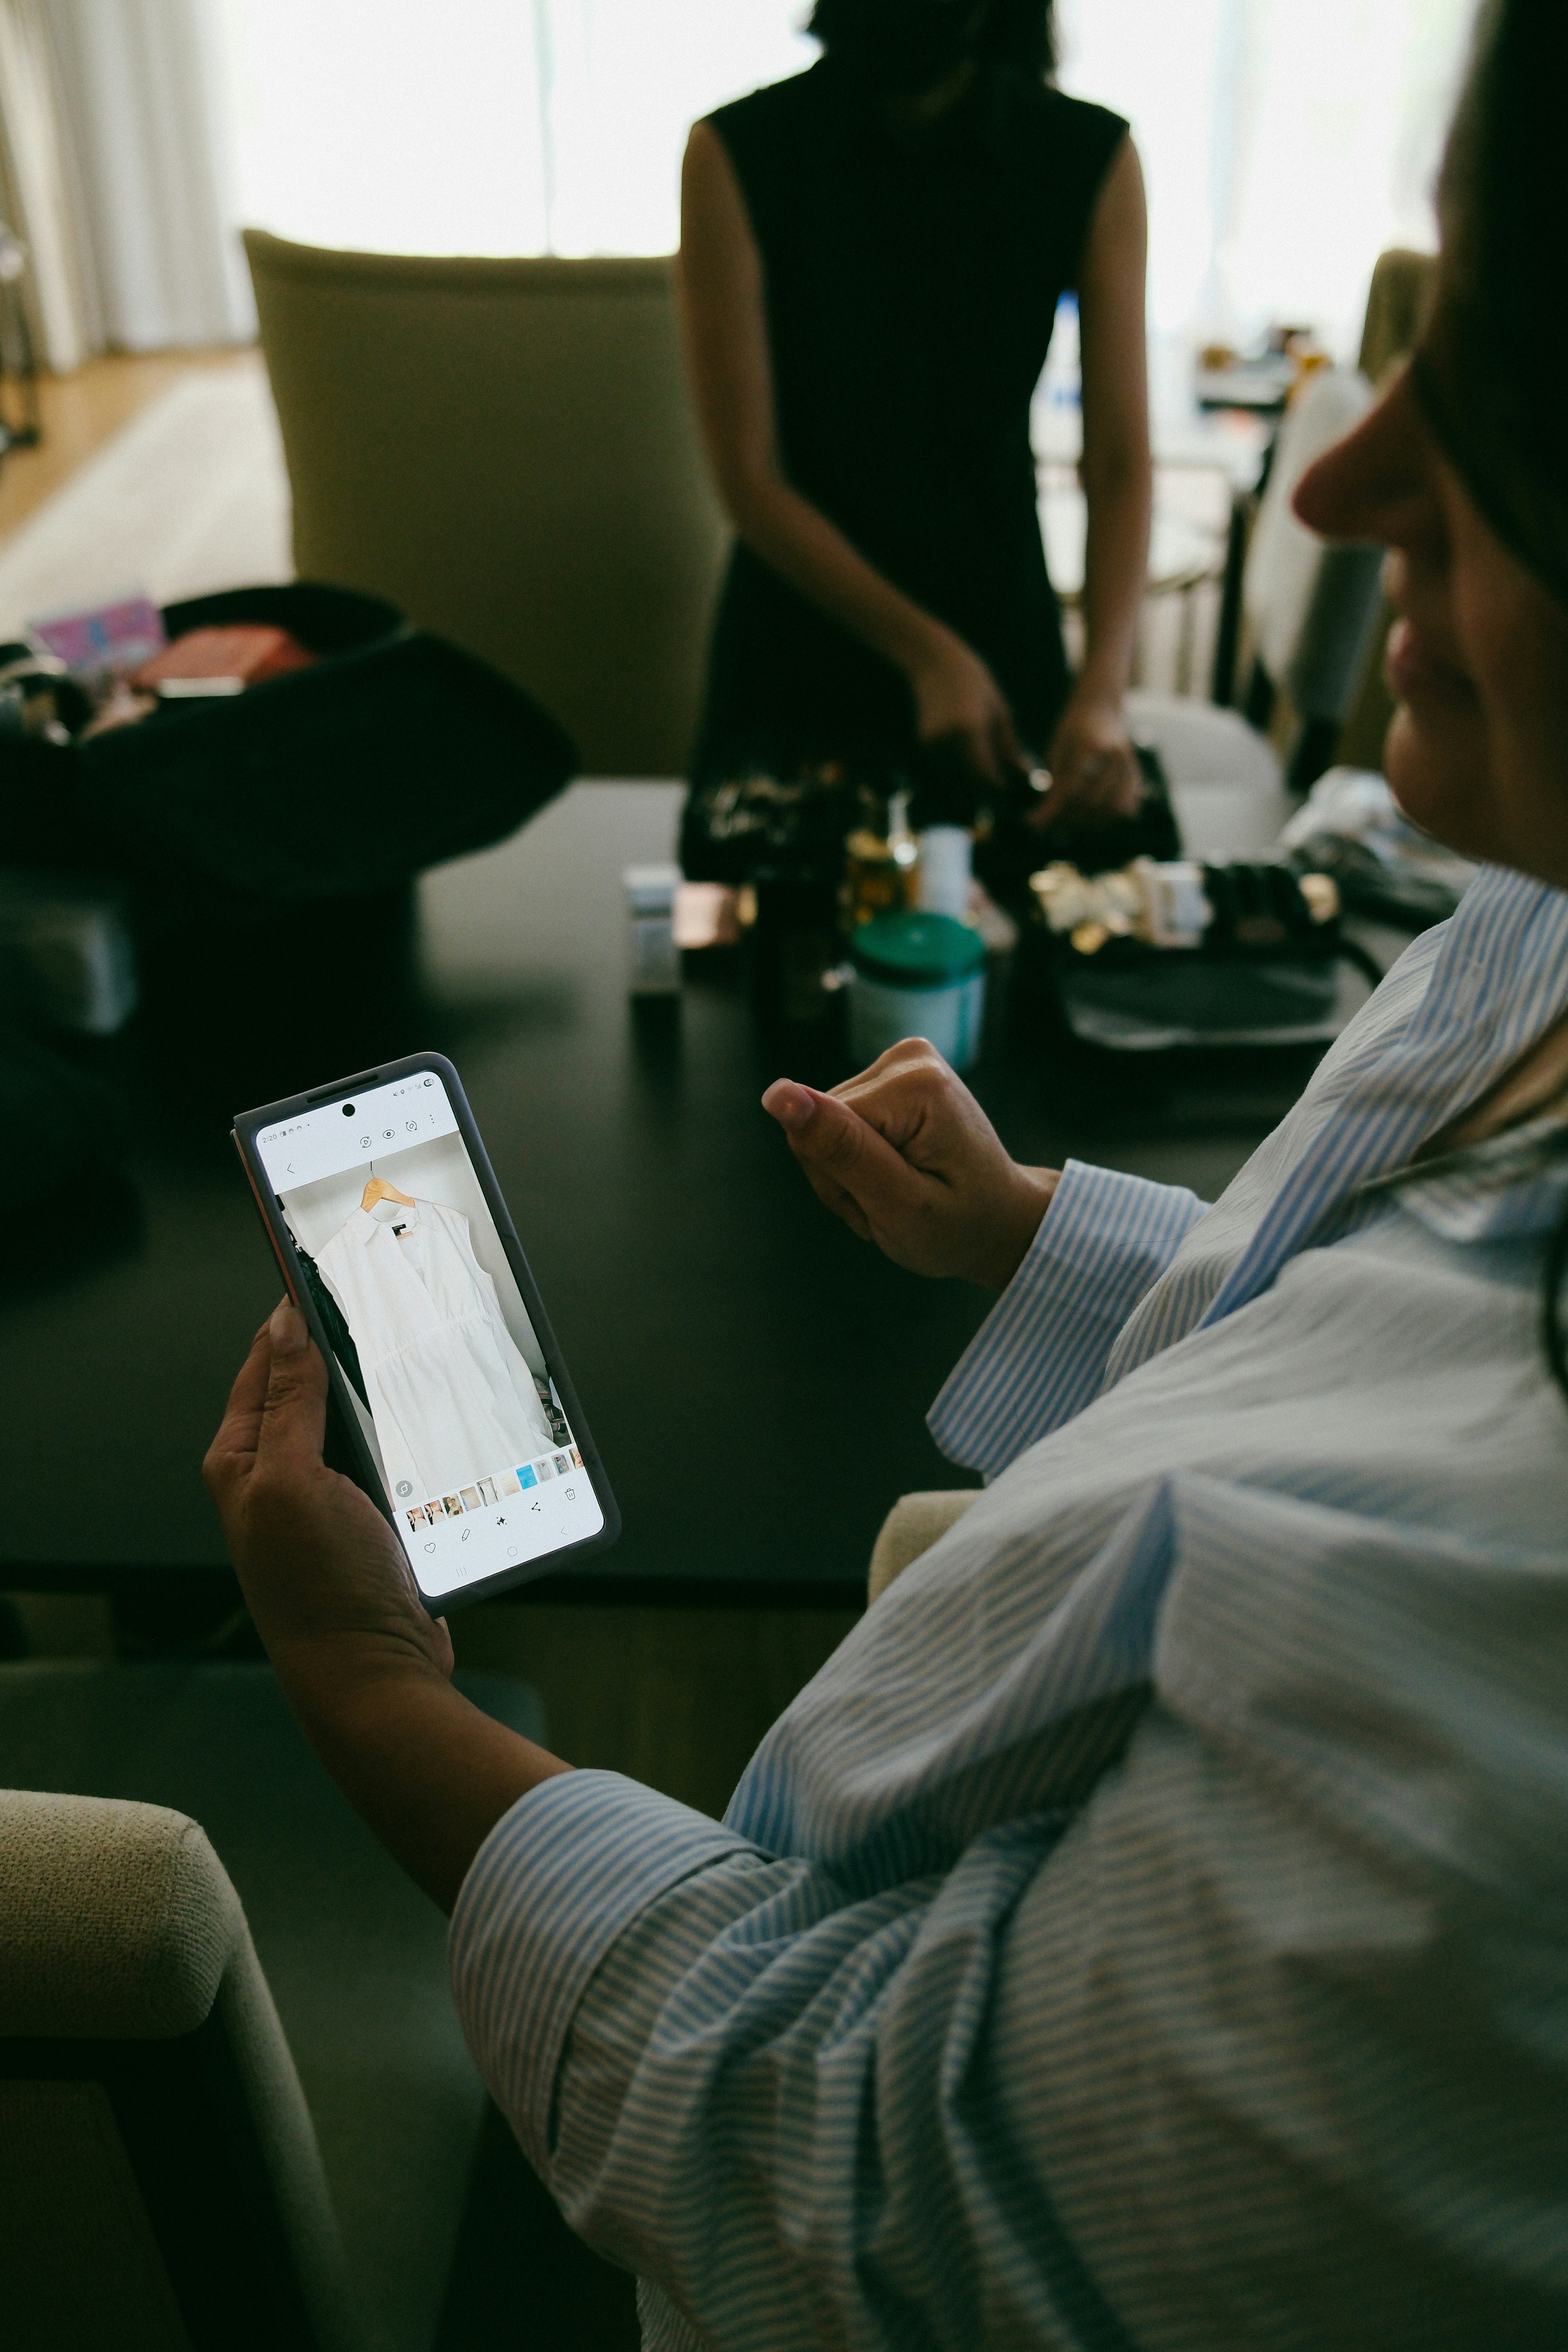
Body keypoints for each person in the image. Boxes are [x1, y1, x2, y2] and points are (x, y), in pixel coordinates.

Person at [205, 3, 1568, 2340]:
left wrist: (366, 1689)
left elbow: (842, 2158)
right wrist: (1044, 1225)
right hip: (816, 665)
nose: (1336, 489)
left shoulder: (1486, 1657)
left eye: (1513, 366)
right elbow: (1349, 1331)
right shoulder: (1527, 919)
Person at [677, 0, 1152, 825]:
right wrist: (928, 656)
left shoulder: (1089, 156)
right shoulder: (736, 150)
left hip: (1002, 629)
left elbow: (1116, 463)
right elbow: (750, 478)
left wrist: (1104, 690)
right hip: (800, 641)